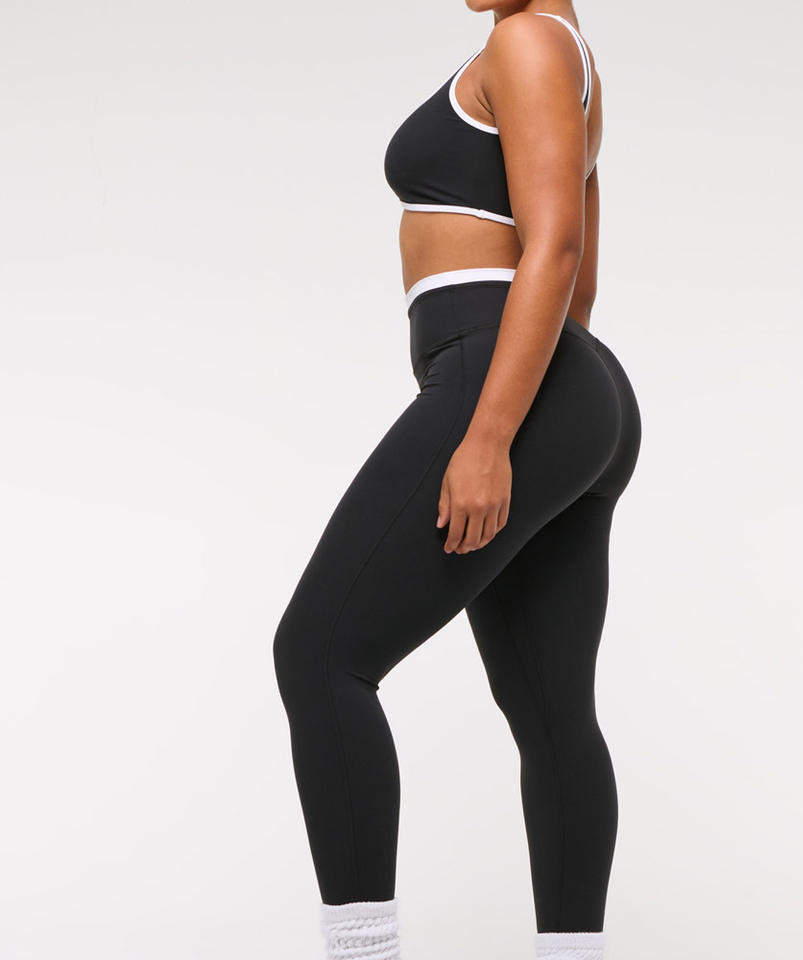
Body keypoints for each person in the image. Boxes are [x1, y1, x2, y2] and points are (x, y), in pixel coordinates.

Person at [272, 3, 642, 958]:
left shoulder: (526, 41)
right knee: (552, 713)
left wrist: (493, 433)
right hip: (564, 384)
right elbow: (578, 280)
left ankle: (362, 951)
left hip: (504, 377)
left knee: (318, 655)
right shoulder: (575, 58)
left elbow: (555, 248)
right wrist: (553, 415)